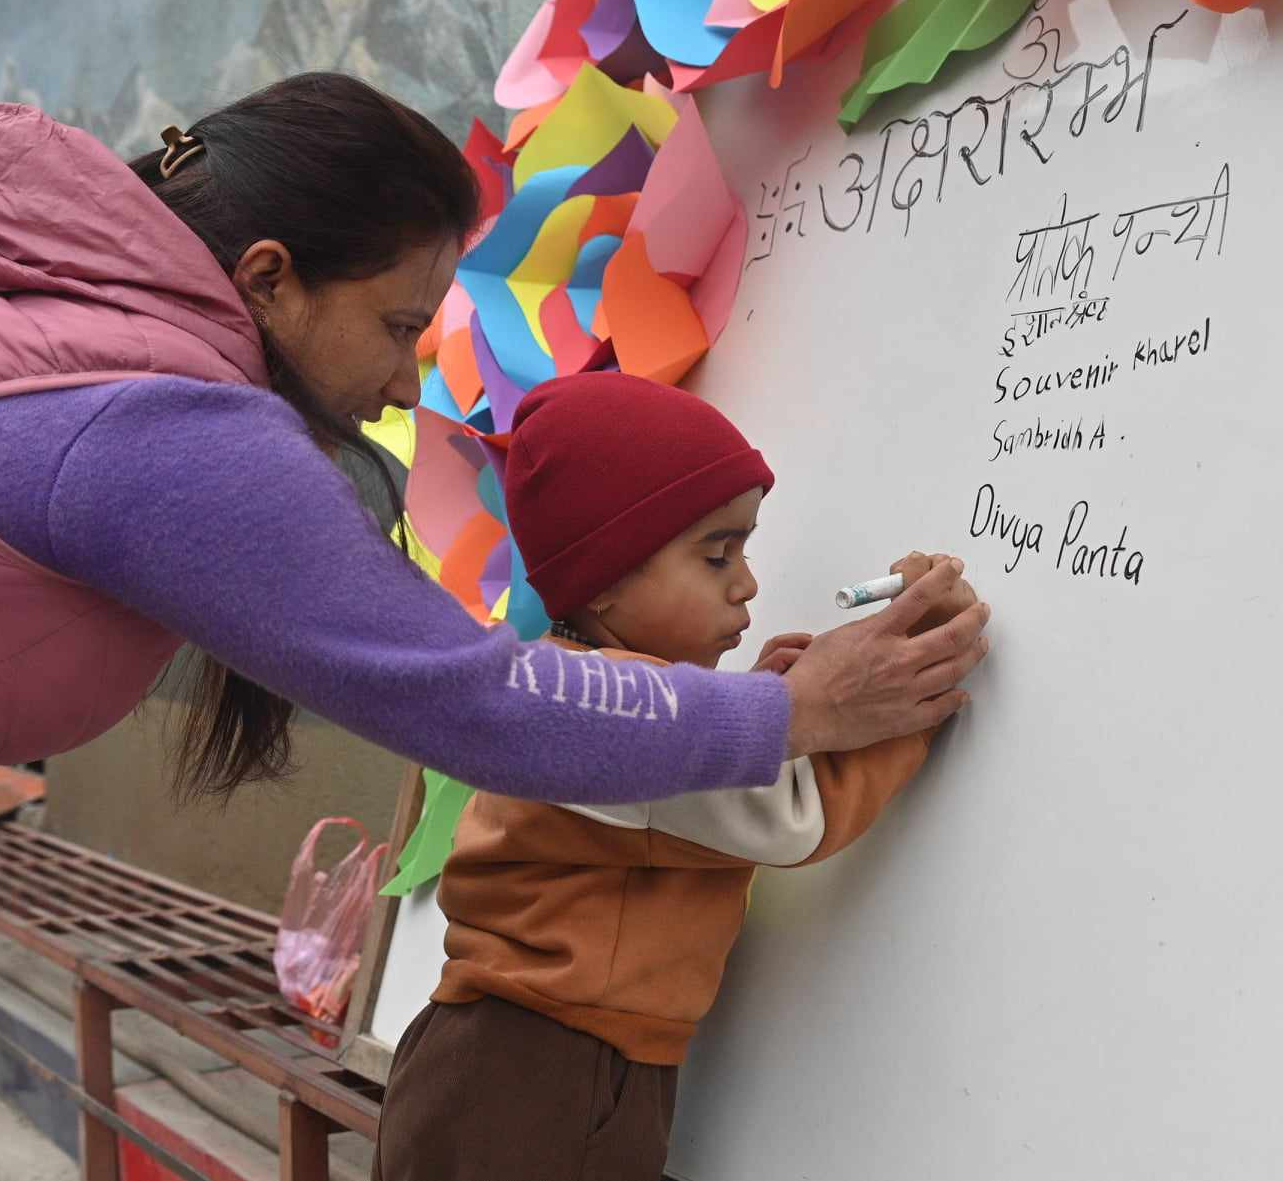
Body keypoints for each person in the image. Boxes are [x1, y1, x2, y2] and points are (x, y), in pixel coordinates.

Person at [0, 74, 987, 1179]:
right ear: (270, 279)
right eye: (401, 323)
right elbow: (479, 700)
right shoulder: (151, 416)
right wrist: (804, 710)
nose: (410, 375)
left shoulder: (48, 330)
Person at [372, 372, 986, 1181]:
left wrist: (776, 702)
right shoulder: (626, 726)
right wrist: (909, 696)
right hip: (540, 1076)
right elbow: (791, 814)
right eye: (716, 553)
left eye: (746, 548)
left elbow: (712, 784)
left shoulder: (578, 683)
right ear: (607, 580)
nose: (749, 581)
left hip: (511, 1062)